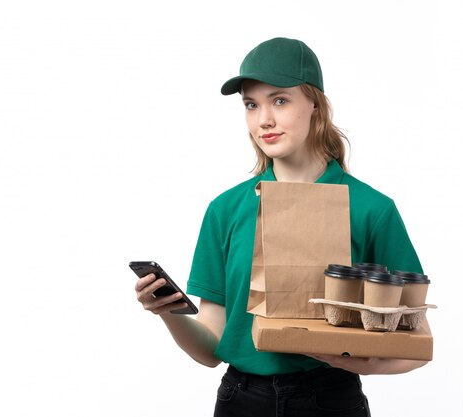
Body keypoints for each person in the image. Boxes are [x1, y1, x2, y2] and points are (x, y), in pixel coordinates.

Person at [134, 37, 427, 417]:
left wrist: (362, 364)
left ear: (315, 105)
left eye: (280, 101)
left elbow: (417, 345)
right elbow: (211, 349)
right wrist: (167, 311)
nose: (263, 120)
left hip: (331, 399)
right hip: (241, 399)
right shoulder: (226, 210)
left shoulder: (372, 210)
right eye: (251, 105)